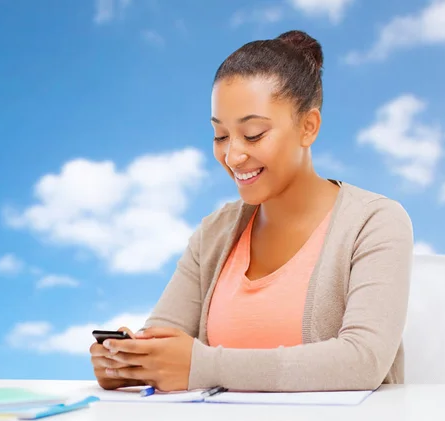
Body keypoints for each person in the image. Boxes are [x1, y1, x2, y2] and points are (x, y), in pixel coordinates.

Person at [90, 29, 414, 393]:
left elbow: (363, 361)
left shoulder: (374, 221)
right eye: (220, 136)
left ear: (308, 126)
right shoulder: (214, 233)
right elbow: (166, 339)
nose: (233, 156)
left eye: (254, 134)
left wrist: (205, 366)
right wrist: (130, 361)